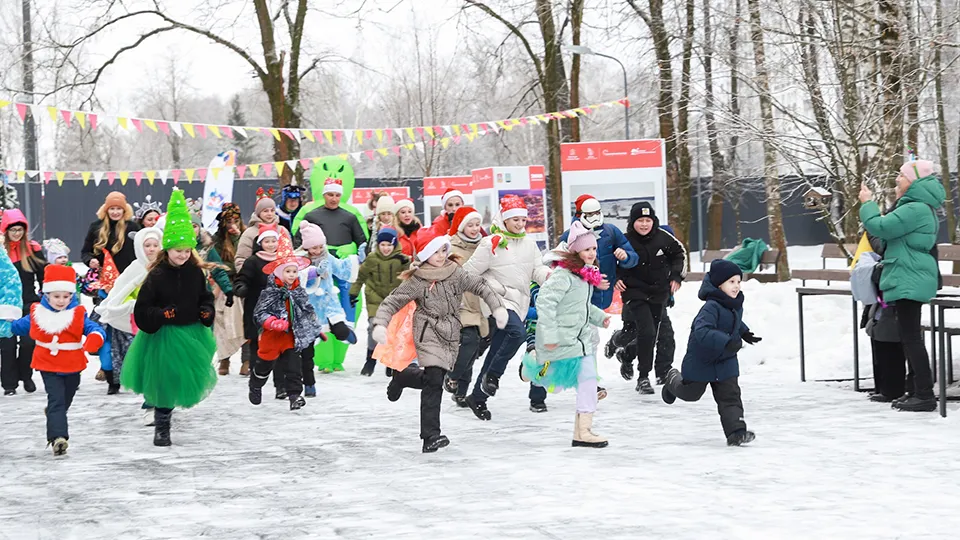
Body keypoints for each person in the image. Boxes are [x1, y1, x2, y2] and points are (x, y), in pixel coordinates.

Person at [371, 228, 507, 453]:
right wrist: (380, 324)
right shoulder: (418, 280)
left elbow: (480, 285)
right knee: (434, 380)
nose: (442, 255)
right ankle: (430, 436)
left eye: (444, 250)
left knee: (433, 379)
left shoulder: (455, 272)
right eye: (436, 252)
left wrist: (498, 308)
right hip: (427, 332)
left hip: (451, 332)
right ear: (425, 254)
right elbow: (392, 301)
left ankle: (403, 376)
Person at [120, 189, 218, 447]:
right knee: (163, 380)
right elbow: (143, 309)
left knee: (179, 378)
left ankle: (166, 414)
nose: (183, 255)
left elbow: (205, 297)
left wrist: (206, 311)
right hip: (164, 336)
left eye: (186, 251)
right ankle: (162, 427)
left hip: (191, 332)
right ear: (167, 250)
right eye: (178, 251)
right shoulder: (156, 275)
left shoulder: (195, 273)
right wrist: (161, 314)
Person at [858, 159, 945, 412]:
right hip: (909, 274)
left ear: (914, 180)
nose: (897, 179)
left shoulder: (915, 208)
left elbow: (881, 227)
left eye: (901, 175)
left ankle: (925, 394)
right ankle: (916, 391)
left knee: (911, 338)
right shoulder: (917, 206)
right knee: (908, 337)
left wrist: (867, 203)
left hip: (910, 276)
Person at [521, 221, 611, 447]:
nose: (592, 253)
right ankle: (531, 366)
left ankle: (583, 432)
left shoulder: (583, 276)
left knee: (588, 382)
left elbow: (581, 306)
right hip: (560, 339)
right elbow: (544, 302)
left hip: (580, 340)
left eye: (593, 248)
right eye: (586, 249)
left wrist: (600, 317)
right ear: (575, 251)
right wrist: (550, 336)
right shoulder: (563, 275)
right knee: (554, 382)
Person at [462, 195, 550, 421]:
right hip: (497, 301)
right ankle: (493, 376)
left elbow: (537, 270)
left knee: (497, 349)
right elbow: (468, 273)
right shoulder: (490, 243)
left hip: (519, 303)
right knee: (518, 333)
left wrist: (549, 276)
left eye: (523, 220)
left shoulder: (529, 244)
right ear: (505, 219)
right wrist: (491, 286)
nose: (520, 224)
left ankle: (477, 397)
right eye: (515, 220)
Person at [661, 259, 759, 446]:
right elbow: (702, 331)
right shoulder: (711, 307)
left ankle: (736, 432)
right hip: (702, 360)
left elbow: (733, 320)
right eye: (731, 282)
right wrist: (726, 341)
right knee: (691, 394)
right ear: (719, 284)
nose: (736, 286)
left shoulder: (734, 303)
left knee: (730, 395)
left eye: (739, 281)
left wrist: (744, 332)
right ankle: (672, 379)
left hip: (725, 360)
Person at [10, 265, 105, 456]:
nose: (61, 301)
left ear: (71, 296)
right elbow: (17, 327)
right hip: (48, 364)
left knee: (66, 396)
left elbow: (92, 328)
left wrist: (95, 337)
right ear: (47, 295)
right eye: (56, 296)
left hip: (72, 364)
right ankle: (58, 437)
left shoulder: (77, 313)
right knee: (57, 399)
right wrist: (6, 324)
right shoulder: (37, 314)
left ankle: (55, 414)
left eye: (65, 296)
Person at [293, 162, 369, 373]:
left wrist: (354, 251)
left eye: (337, 195)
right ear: (324, 194)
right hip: (317, 269)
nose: (334, 198)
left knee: (345, 307)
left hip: (341, 267)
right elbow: (298, 241)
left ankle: (341, 345)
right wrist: (305, 259)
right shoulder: (311, 215)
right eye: (330, 195)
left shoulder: (350, 216)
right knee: (318, 309)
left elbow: (362, 242)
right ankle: (322, 358)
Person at [610, 202, 686, 395]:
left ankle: (656, 369)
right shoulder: (624, 240)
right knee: (647, 332)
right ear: (632, 222)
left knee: (655, 334)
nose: (644, 224)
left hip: (658, 293)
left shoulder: (663, 237)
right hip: (634, 293)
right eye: (640, 221)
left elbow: (679, 255)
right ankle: (643, 377)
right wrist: (616, 278)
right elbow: (610, 262)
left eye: (647, 220)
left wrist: (676, 276)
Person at [250, 232, 323, 411]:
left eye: (294, 271)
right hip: (272, 337)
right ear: (279, 272)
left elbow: (306, 311)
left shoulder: (299, 291)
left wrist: (314, 329)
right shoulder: (270, 292)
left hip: (291, 336)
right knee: (264, 366)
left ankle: (295, 396)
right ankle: (256, 384)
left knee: (293, 367)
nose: (291, 275)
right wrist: (272, 322)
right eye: (287, 271)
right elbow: (259, 313)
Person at [94, 227, 163, 395]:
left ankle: (157, 390)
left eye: (155, 245)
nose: (151, 249)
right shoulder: (135, 267)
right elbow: (122, 290)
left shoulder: (165, 267)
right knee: (142, 352)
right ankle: (146, 389)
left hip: (161, 316)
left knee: (159, 354)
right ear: (139, 247)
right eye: (147, 245)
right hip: (138, 317)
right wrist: (131, 304)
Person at [296, 221, 358, 380]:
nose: (317, 251)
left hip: (330, 302)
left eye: (320, 247)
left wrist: (356, 260)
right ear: (306, 247)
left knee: (340, 329)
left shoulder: (327, 256)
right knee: (314, 339)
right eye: (313, 248)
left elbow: (341, 268)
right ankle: (311, 369)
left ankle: (346, 334)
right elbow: (297, 278)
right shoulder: (300, 260)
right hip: (312, 305)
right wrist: (314, 273)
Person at [443, 207, 491, 405]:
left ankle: (460, 392)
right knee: (469, 341)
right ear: (461, 226)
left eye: (477, 224)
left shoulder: (484, 246)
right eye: (470, 225)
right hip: (461, 303)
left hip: (481, 304)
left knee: (474, 349)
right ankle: (452, 376)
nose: (474, 228)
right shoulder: (451, 247)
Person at [350, 227, 410, 376]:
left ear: (394, 245)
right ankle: (370, 359)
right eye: (383, 245)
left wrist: (407, 265)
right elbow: (361, 277)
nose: (386, 248)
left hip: (394, 300)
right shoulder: (372, 258)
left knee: (393, 330)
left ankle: (390, 362)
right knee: (373, 326)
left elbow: (411, 278)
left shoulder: (401, 259)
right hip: (375, 297)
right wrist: (353, 293)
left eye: (389, 245)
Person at [234, 224, 285, 397]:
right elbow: (242, 279)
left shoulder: (283, 259)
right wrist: (241, 288)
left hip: (279, 309)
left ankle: (281, 386)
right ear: (260, 243)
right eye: (267, 241)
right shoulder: (253, 261)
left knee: (280, 347)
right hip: (257, 308)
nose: (270, 245)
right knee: (258, 348)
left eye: (273, 241)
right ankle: (256, 385)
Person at [1, 209, 46, 396]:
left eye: (20, 229)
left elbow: (44, 276)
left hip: (29, 303)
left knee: (29, 342)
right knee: (7, 345)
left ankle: (26, 376)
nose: (17, 233)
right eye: (13, 230)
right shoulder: (1, 252)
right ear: (5, 230)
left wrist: (47, 297)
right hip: (5, 304)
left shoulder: (32, 249)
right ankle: (9, 384)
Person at [210, 202, 246, 375]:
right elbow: (216, 263)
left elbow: (246, 258)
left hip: (244, 281)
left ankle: (247, 360)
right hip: (224, 283)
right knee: (222, 320)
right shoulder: (216, 240)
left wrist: (238, 238)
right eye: (229, 221)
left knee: (246, 320)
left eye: (236, 220)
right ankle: (224, 358)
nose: (232, 225)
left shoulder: (245, 236)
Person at [81, 191, 140, 275]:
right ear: (106, 210)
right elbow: (85, 252)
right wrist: (90, 260)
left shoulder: (133, 227)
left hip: (128, 275)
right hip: (103, 276)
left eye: (119, 208)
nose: (115, 212)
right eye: (112, 208)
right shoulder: (96, 226)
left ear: (124, 210)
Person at [235, 188, 291, 270]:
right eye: (265, 211)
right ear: (258, 213)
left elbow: (290, 256)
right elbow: (241, 259)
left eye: (272, 210)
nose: (269, 214)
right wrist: (247, 275)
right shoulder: (249, 233)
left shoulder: (282, 230)